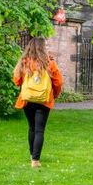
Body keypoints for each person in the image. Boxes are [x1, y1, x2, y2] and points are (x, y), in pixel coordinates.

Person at [13, 38, 63, 168]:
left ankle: (32, 155)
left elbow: (16, 80)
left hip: (28, 99)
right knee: (39, 129)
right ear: (42, 47)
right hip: (44, 100)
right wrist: (54, 95)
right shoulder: (49, 63)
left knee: (31, 127)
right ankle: (35, 160)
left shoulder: (24, 62)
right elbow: (58, 82)